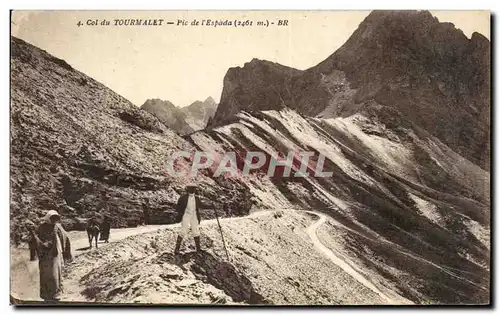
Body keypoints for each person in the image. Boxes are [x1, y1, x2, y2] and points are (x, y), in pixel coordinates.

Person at [27, 210, 73, 303]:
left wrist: (66, 252)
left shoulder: (58, 227)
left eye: (56, 218)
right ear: (48, 217)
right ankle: (46, 295)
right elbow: (35, 240)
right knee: (46, 275)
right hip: (45, 256)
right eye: (52, 218)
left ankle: (56, 293)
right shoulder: (41, 227)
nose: (54, 220)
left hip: (56, 255)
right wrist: (36, 241)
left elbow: (65, 237)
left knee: (55, 274)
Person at [174, 184, 208, 254]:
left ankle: (198, 249)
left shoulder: (196, 198)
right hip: (186, 215)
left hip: (194, 215)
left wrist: (211, 206)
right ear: (188, 189)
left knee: (195, 230)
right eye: (191, 189)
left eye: (194, 189)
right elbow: (178, 207)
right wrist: (179, 214)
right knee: (183, 230)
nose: (193, 190)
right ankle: (176, 249)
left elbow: (202, 206)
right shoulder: (183, 198)